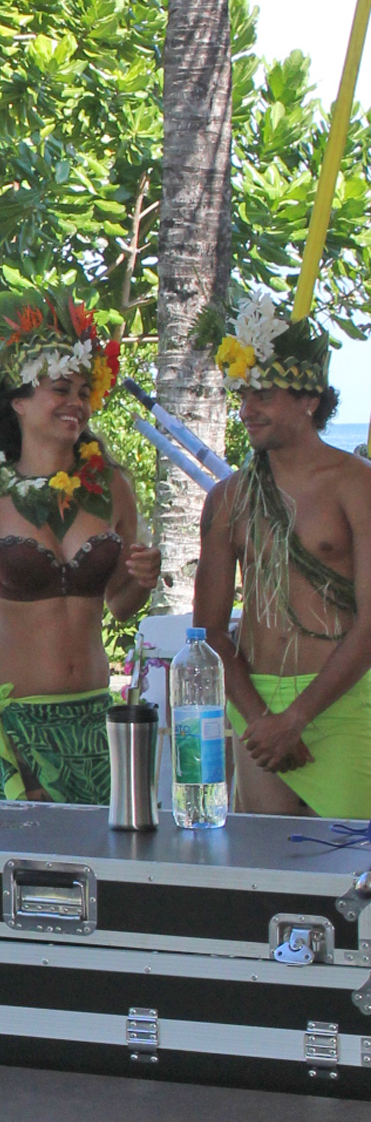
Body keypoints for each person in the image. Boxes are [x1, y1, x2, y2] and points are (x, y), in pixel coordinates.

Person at [0, 292, 161, 801]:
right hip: (13, 717)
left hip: (92, 714)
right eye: (61, 388)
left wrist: (141, 578)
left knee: (98, 866)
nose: (77, 402)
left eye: (85, 391)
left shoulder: (111, 487)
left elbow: (120, 604)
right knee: (29, 869)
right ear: (19, 402)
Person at [193, 291, 371, 816]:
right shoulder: (229, 498)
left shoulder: (356, 485)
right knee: (264, 885)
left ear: (309, 400)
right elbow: (208, 633)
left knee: (347, 880)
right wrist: (260, 720)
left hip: (344, 699)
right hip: (256, 707)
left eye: (263, 395)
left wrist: (296, 718)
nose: (246, 410)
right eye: (242, 395)